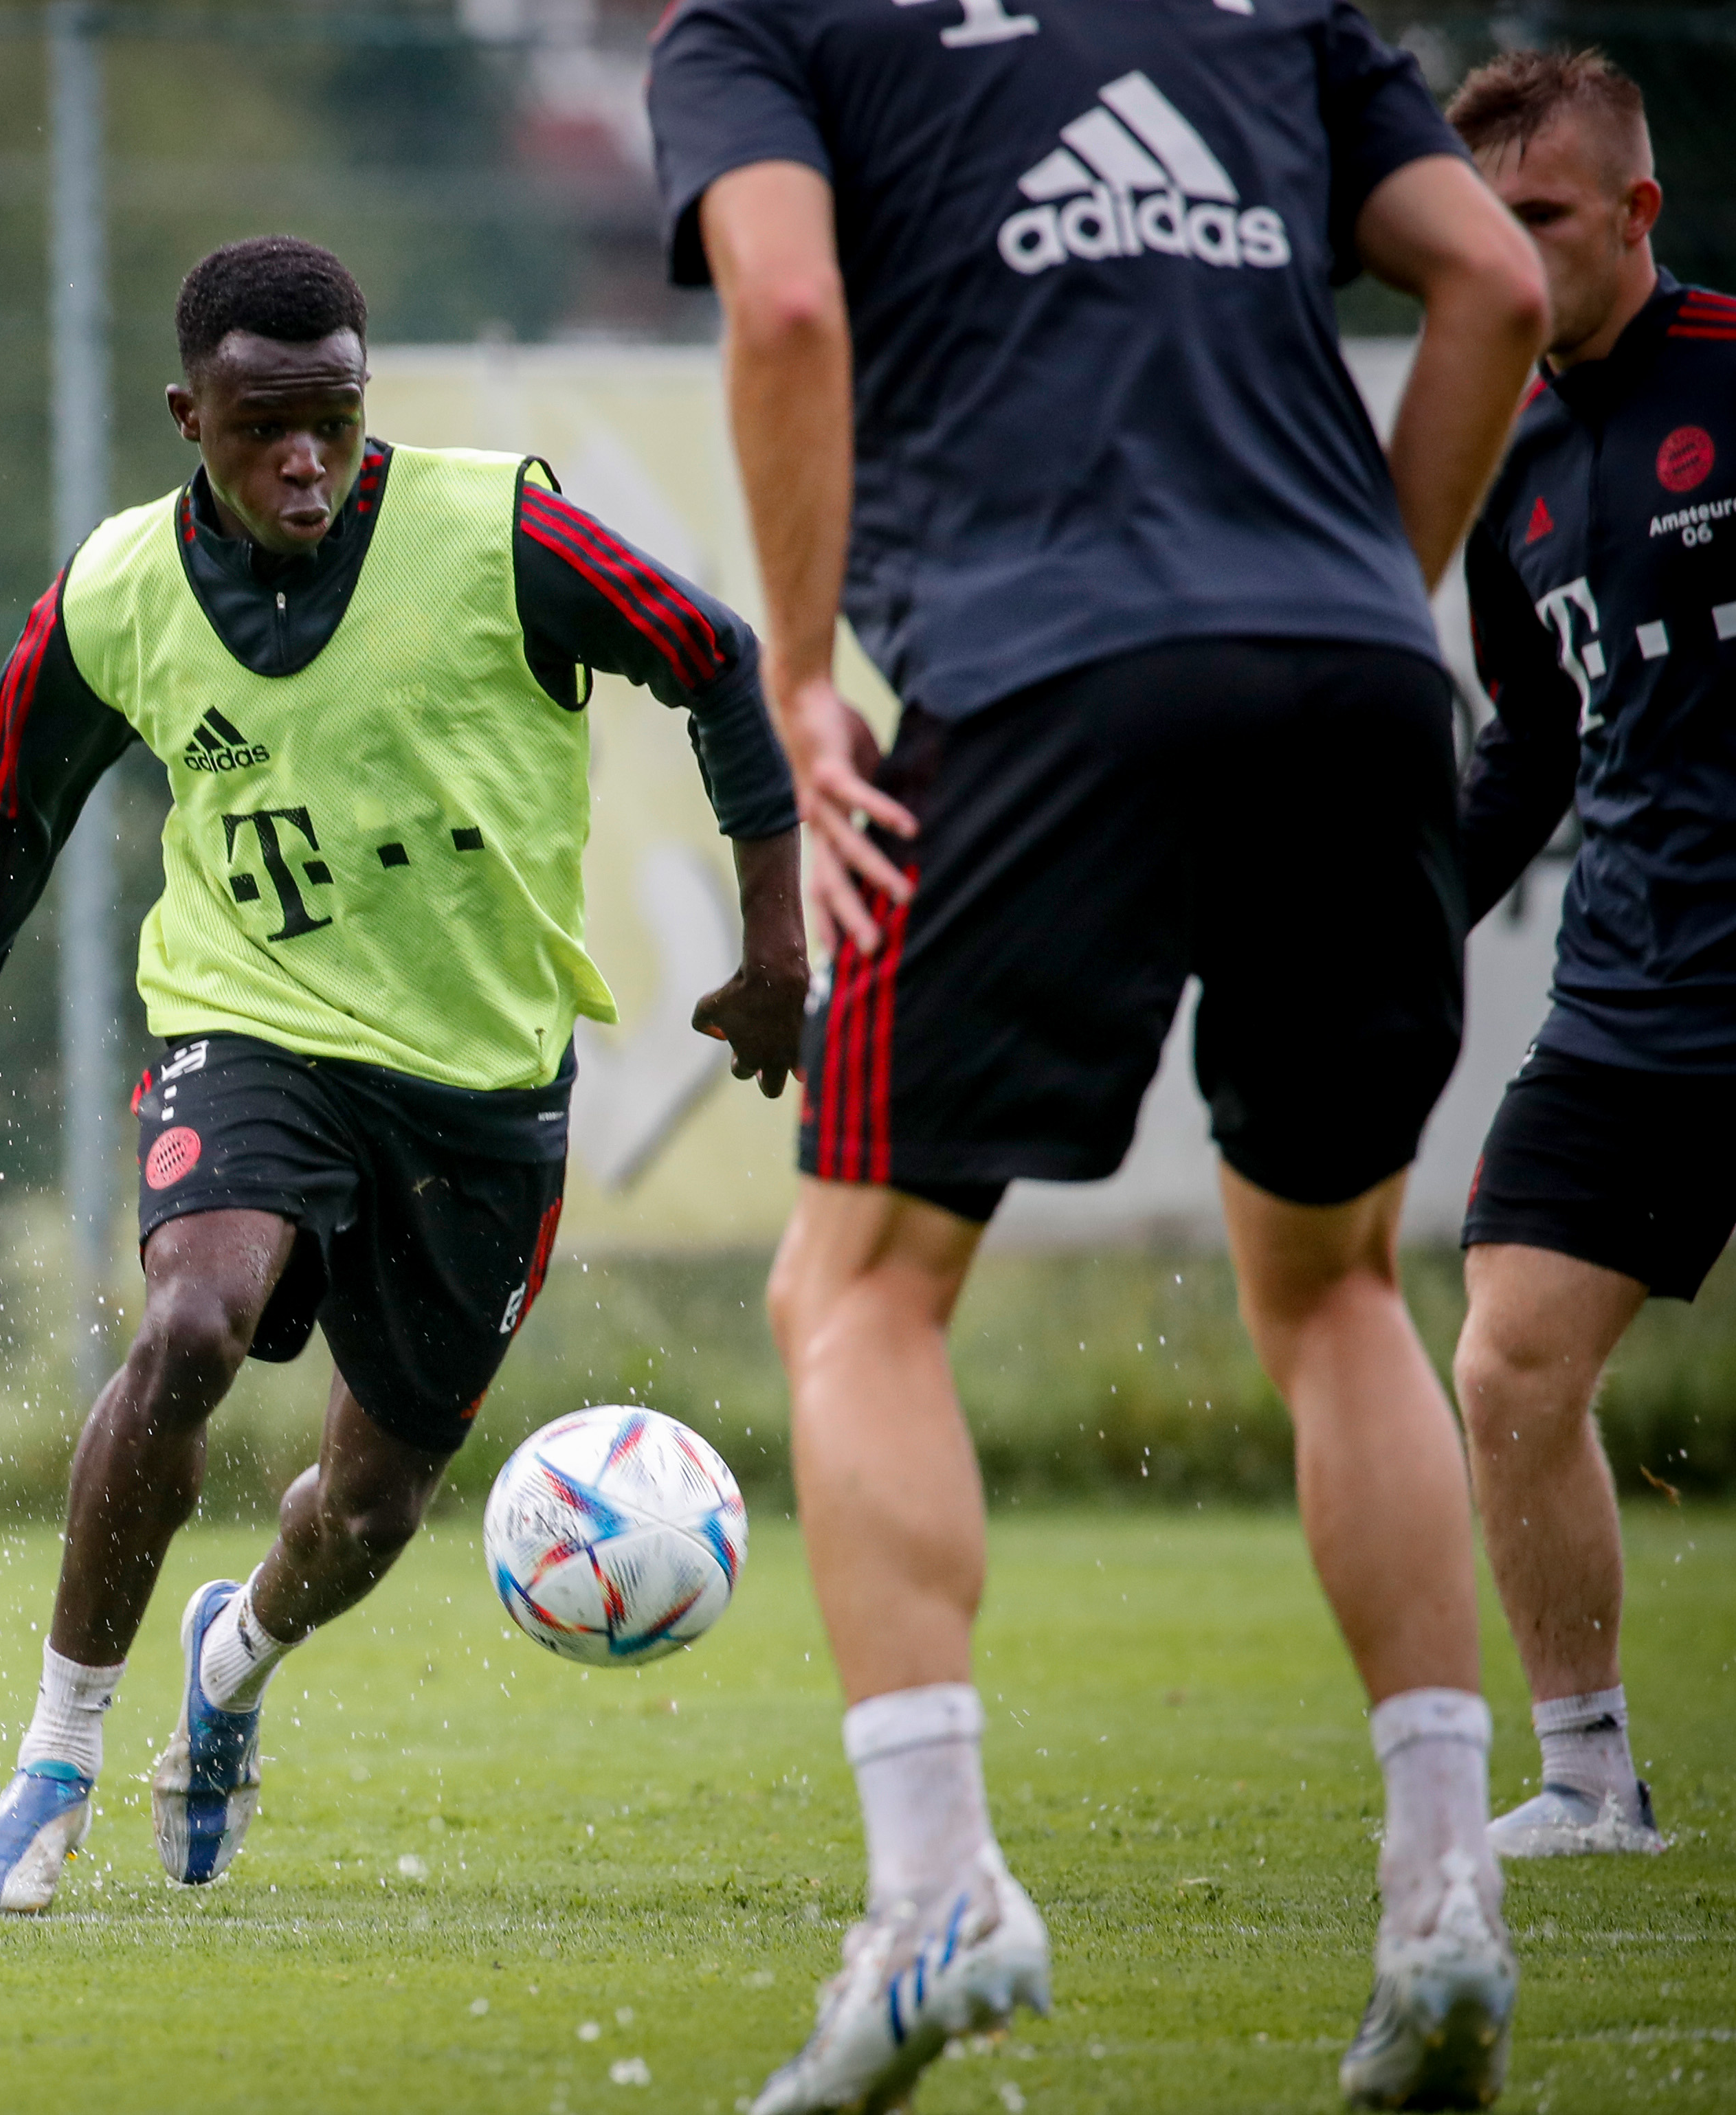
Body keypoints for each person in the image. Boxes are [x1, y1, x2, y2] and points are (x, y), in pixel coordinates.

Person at [647, 1, 1550, 2107]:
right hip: (1347, 681)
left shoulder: (773, 27)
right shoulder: (1273, 15)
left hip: (1042, 669)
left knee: (862, 1283)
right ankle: (1443, 1902)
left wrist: (795, 673)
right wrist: (1347, 596)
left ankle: (940, 1889)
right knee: (1336, 1284)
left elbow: (786, 300)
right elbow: (1498, 283)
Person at [0, 236, 809, 1918]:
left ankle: (233, 1663)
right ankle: (53, 1763)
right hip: (249, 1029)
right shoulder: (115, 590)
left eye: (334, 417)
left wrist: (776, 953)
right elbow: (0, 822)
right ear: (191, 417)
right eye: (263, 428)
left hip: (480, 1091)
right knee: (187, 1330)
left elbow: (715, 657)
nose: (305, 457)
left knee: (369, 1514)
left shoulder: (498, 533)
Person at [1447, 45, 1715, 1865]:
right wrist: (1392, 920)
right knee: (1508, 1367)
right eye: (1479, 227)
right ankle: (1592, 1782)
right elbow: (1529, 749)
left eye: (1540, 218)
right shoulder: (1508, 457)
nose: (1510, 259)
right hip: (1636, 984)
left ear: (1636, 213)